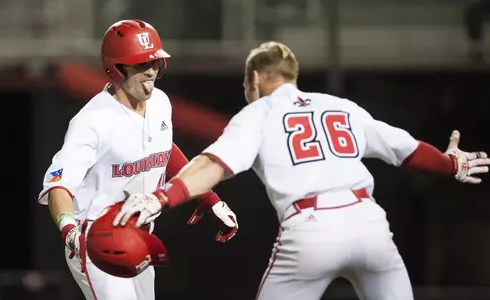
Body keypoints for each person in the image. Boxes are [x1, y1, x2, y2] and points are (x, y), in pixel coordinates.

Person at [113, 41, 490, 300]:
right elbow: (407, 150)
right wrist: (450, 163)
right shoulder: (340, 106)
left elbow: (213, 165)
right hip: (369, 223)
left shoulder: (258, 112)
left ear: (256, 79)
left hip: (311, 228)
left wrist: (163, 196)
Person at [37, 19, 238, 300]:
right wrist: (68, 229)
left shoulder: (160, 102)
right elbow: (59, 186)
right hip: (98, 239)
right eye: (141, 64)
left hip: (139, 236)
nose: (151, 71)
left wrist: (208, 198)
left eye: (155, 62)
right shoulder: (92, 122)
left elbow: (164, 151)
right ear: (116, 68)